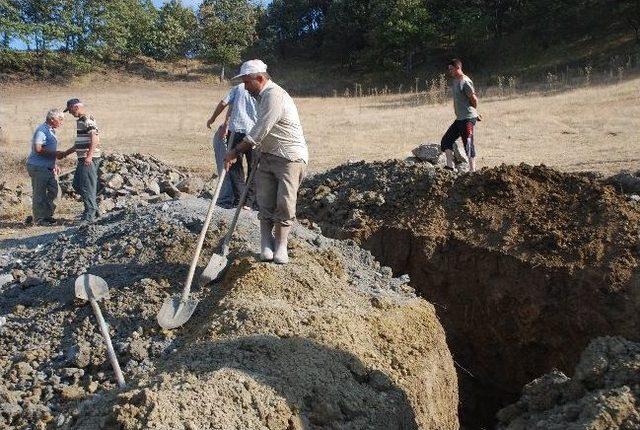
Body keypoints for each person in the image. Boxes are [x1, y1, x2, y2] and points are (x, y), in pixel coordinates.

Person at [224, 59, 308, 265]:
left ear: (260, 78)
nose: (244, 87)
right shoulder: (259, 97)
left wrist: (235, 151)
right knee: (265, 201)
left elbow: (262, 128)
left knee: (285, 203)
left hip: (290, 158)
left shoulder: (274, 95)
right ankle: (265, 243)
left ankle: (281, 245)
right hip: (267, 155)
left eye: (247, 82)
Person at [206, 83, 258, 208]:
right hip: (254, 132)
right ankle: (247, 202)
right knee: (254, 168)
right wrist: (225, 124)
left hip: (238, 132)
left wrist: (213, 119)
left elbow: (224, 103)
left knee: (235, 167)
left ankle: (241, 199)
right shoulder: (261, 89)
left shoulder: (238, 88)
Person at [59, 98, 102, 222]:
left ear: (75, 107)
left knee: (85, 186)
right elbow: (80, 143)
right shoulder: (81, 121)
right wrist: (65, 153)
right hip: (83, 158)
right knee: (77, 184)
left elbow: (94, 138)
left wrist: (89, 156)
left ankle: (90, 214)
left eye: (70, 110)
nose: (70, 113)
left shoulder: (86, 119)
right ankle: (94, 209)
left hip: (88, 159)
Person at [25, 109, 65, 225]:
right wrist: (56, 154)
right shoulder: (42, 130)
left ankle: (47, 215)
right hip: (38, 167)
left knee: (56, 192)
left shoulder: (51, 130)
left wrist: (54, 163)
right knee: (39, 194)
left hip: (48, 167)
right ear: (52, 119)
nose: (62, 122)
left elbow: (49, 149)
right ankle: (39, 219)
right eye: (60, 119)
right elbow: (38, 149)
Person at [440, 58, 480, 172]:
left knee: (468, 143)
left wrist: (472, 112)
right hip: (459, 119)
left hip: (467, 118)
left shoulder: (465, 82)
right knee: (446, 141)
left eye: (452, 69)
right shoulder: (455, 81)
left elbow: (474, 99)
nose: (450, 71)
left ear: (458, 68)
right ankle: (449, 167)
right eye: (449, 69)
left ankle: (472, 171)